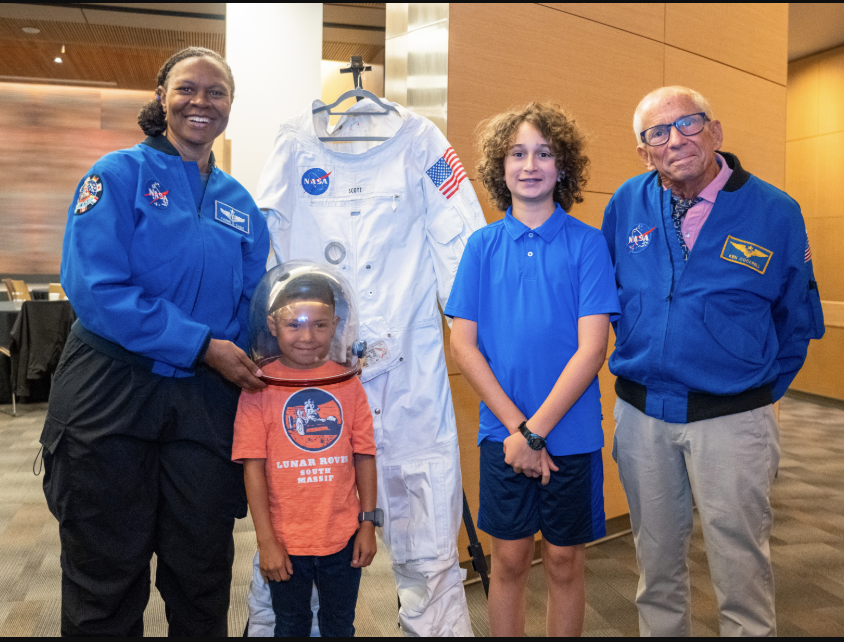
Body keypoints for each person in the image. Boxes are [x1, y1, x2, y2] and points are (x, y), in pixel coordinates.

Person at [39, 47, 269, 636]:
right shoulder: (117, 176)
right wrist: (198, 344)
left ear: (229, 107)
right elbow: (95, 287)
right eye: (188, 89)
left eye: (216, 92)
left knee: (202, 572)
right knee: (105, 573)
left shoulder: (240, 205)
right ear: (162, 97)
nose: (201, 102)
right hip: (111, 391)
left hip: (204, 401)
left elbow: (249, 302)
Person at [601, 86, 826, 637]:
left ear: (716, 131)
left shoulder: (776, 211)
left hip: (733, 421)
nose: (676, 139)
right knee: (655, 569)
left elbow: (796, 319)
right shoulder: (626, 203)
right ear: (644, 151)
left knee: (741, 567)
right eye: (658, 132)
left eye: (689, 124)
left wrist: (755, 393)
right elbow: (609, 297)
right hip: (642, 418)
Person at [446, 102, 621, 637]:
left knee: (566, 564)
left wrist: (537, 432)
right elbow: (464, 345)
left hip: (569, 435)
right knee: (510, 562)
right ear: (500, 169)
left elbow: (591, 350)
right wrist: (519, 433)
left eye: (544, 153)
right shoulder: (481, 245)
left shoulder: (588, 243)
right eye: (517, 154)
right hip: (503, 438)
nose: (530, 164)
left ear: (562, 166)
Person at [233, 268, 377, 637]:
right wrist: (266, 542)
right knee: (291, 625)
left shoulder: (348, 384)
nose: (308, 337)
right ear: (272, 324)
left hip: (343, 538)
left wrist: (367, 523)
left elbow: (364, 455)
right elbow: (253, 469)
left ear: (336, 324)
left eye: (320, 325)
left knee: (339, 626)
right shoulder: (257, 387)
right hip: (285, 541)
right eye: (294, 325)